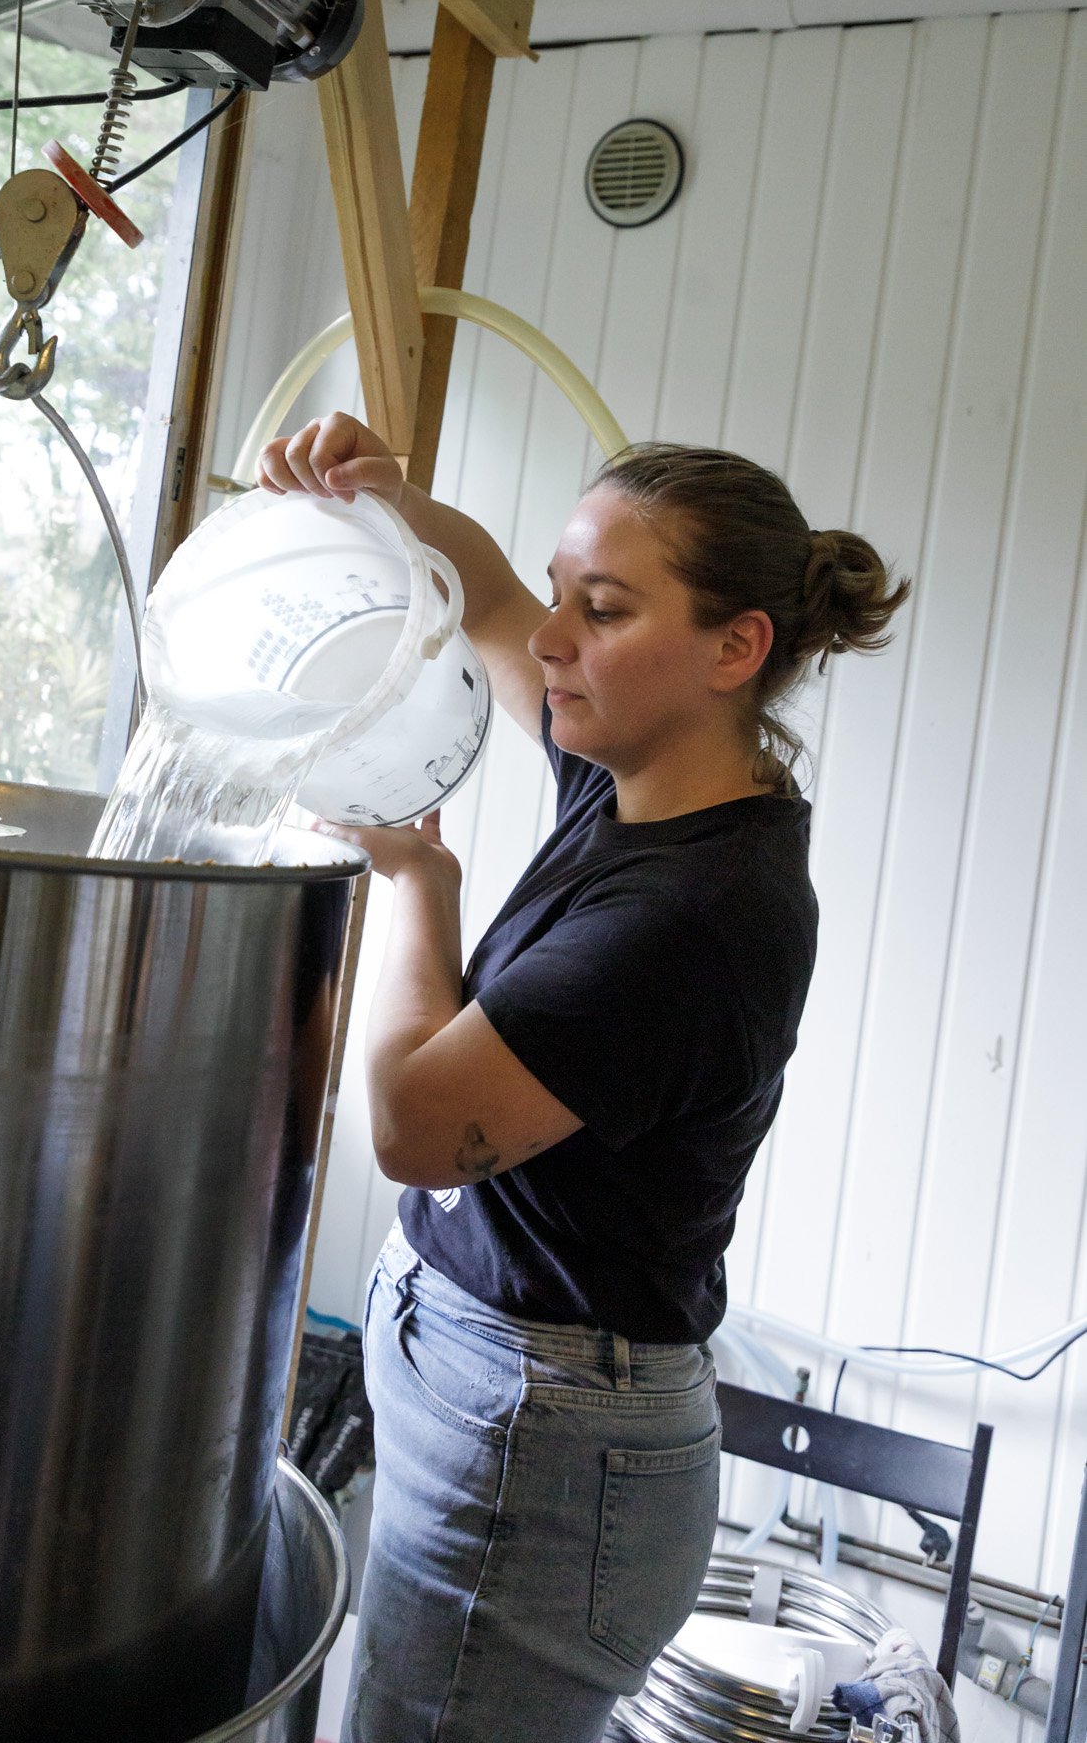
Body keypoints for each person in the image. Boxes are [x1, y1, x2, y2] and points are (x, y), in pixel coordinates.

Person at [257, 414, 911, 1743]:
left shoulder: (695, 912)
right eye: (569, 594)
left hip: (543, 1442)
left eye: (601, 610)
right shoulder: (628, 783)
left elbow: (415, 1126)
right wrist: (391, 503)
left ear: (738, 649)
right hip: (502, 1392)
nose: (551, 637)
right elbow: (491, 594)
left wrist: (417, 889)